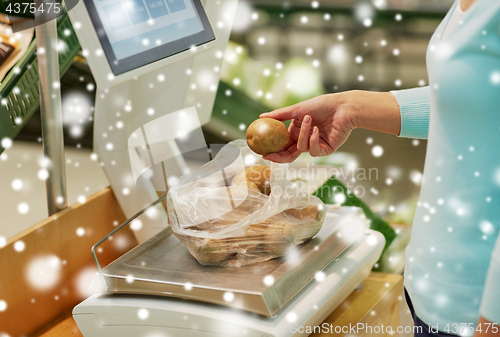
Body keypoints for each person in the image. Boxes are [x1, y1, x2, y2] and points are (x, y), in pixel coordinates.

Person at [260, 0, 500, 336]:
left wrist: (493, 320)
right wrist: (351, 107)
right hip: (436, 293)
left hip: (478, 312)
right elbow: (479, 99)